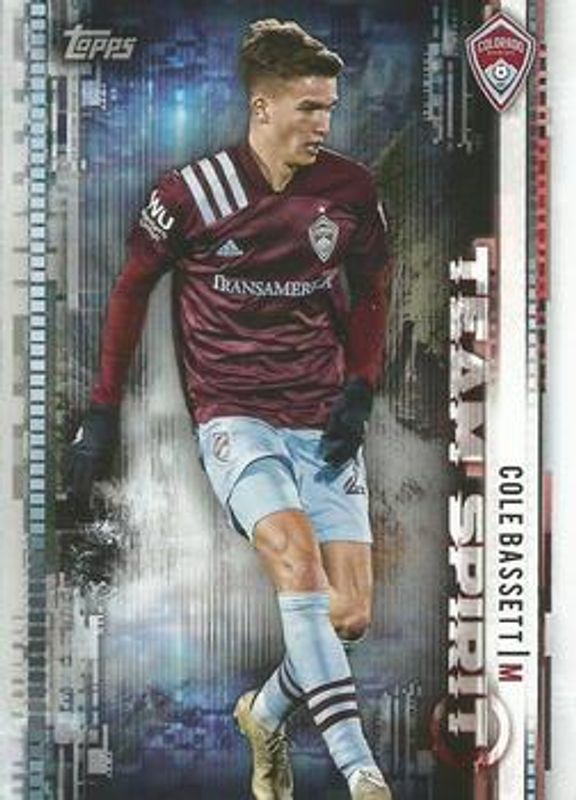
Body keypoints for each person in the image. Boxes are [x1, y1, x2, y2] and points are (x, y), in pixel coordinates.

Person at [67, 18, 394, 800]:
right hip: (234, 416)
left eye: (329, 108)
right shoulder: (190, 195)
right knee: (295, 562)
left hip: (322, 419)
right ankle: (362, 773)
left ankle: (264, 713)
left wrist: (360, 385)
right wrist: (103, 411)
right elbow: (131, 291)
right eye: (310, 108)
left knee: (347, 615)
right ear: (262, 106)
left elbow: (373, 287)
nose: (324, 122)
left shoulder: (349, 191)